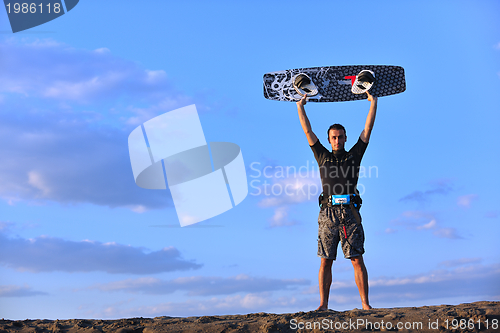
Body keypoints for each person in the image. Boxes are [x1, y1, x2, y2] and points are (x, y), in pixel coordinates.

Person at [296, 91, 378, 311]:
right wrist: (300, 106)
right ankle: (323, 305)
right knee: (325, 260)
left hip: (350, 212)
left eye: (341, 136)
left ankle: (365, 304)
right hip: (328, 212)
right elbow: (307, 130)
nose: (338, 140)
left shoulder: (354, 155)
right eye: (334, 137)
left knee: (357, 259)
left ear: (345, 138)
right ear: (329, 139)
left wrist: (373, 102)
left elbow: (367, 129)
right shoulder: (322, 155)